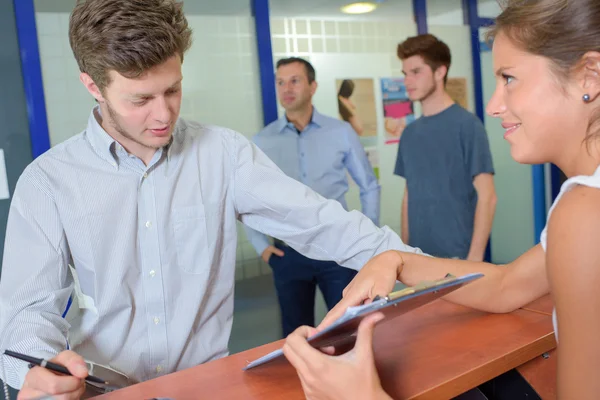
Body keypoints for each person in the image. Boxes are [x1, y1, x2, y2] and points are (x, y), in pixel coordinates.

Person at [0, 1, 424, 399]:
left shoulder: (223, 154)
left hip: (207, 388)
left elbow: (322, 222)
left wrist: (428, 272)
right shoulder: (48, 181)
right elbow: (27, 313)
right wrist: (43, 367)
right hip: (104, 390)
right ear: (93, 86)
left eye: (173, 90)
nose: (164, 114)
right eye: (141, 99)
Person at [283, 0, 600, 398]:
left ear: (590, 76)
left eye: (509, 78)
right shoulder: (580, 209)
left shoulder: (584, 210)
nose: (494, 104)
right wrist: (396, 259)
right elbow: (507, 285)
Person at [244, 57, 380, 337]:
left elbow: (369, 186)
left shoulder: (340, 132)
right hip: (288, 253)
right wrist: (261, 247)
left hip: (338, 251)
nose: (286, 88)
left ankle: (352, 380)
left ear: (313, 86)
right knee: (295, 336)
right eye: (280, 82)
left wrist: (364, 238)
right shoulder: (262, 140)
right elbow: (248, 197)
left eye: (295, 80)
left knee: (349, 330)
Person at [394, 34, 497, 261]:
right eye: (405, 74)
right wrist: (404, 252)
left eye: (416, 72)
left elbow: (487, 196)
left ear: (440, 72)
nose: (407, 81)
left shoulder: (468, 125)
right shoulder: (410, 133)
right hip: (419, 257)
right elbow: (409, 195)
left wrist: (474, 259)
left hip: (458, 257)